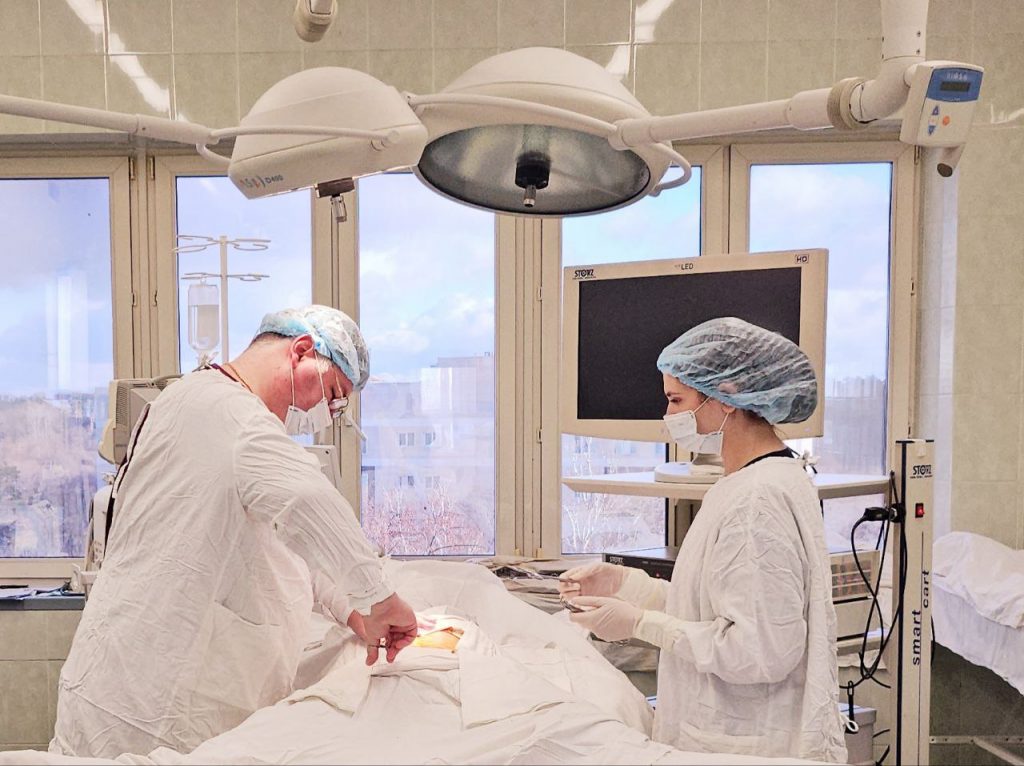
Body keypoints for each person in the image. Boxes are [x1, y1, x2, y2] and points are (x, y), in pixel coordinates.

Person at [52, 306, 418, 759]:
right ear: (301, 351)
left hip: (110, 680)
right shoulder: (238, 419)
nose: (324, 413)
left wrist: (352, 611)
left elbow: (285, 542)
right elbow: (307, 500)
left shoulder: (185, 400)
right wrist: (380, 599)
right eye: (332, 395)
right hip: (162, 710)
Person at [559, 317, 847, 763]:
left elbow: (760, 652)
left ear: (726, 396)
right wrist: (627, 586)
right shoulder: (748, 484)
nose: (669, 416)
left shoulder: (757, 501)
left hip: (750, 745)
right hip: (732, 736)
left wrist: (640, 624)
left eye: (677, 400)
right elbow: (716, 607)